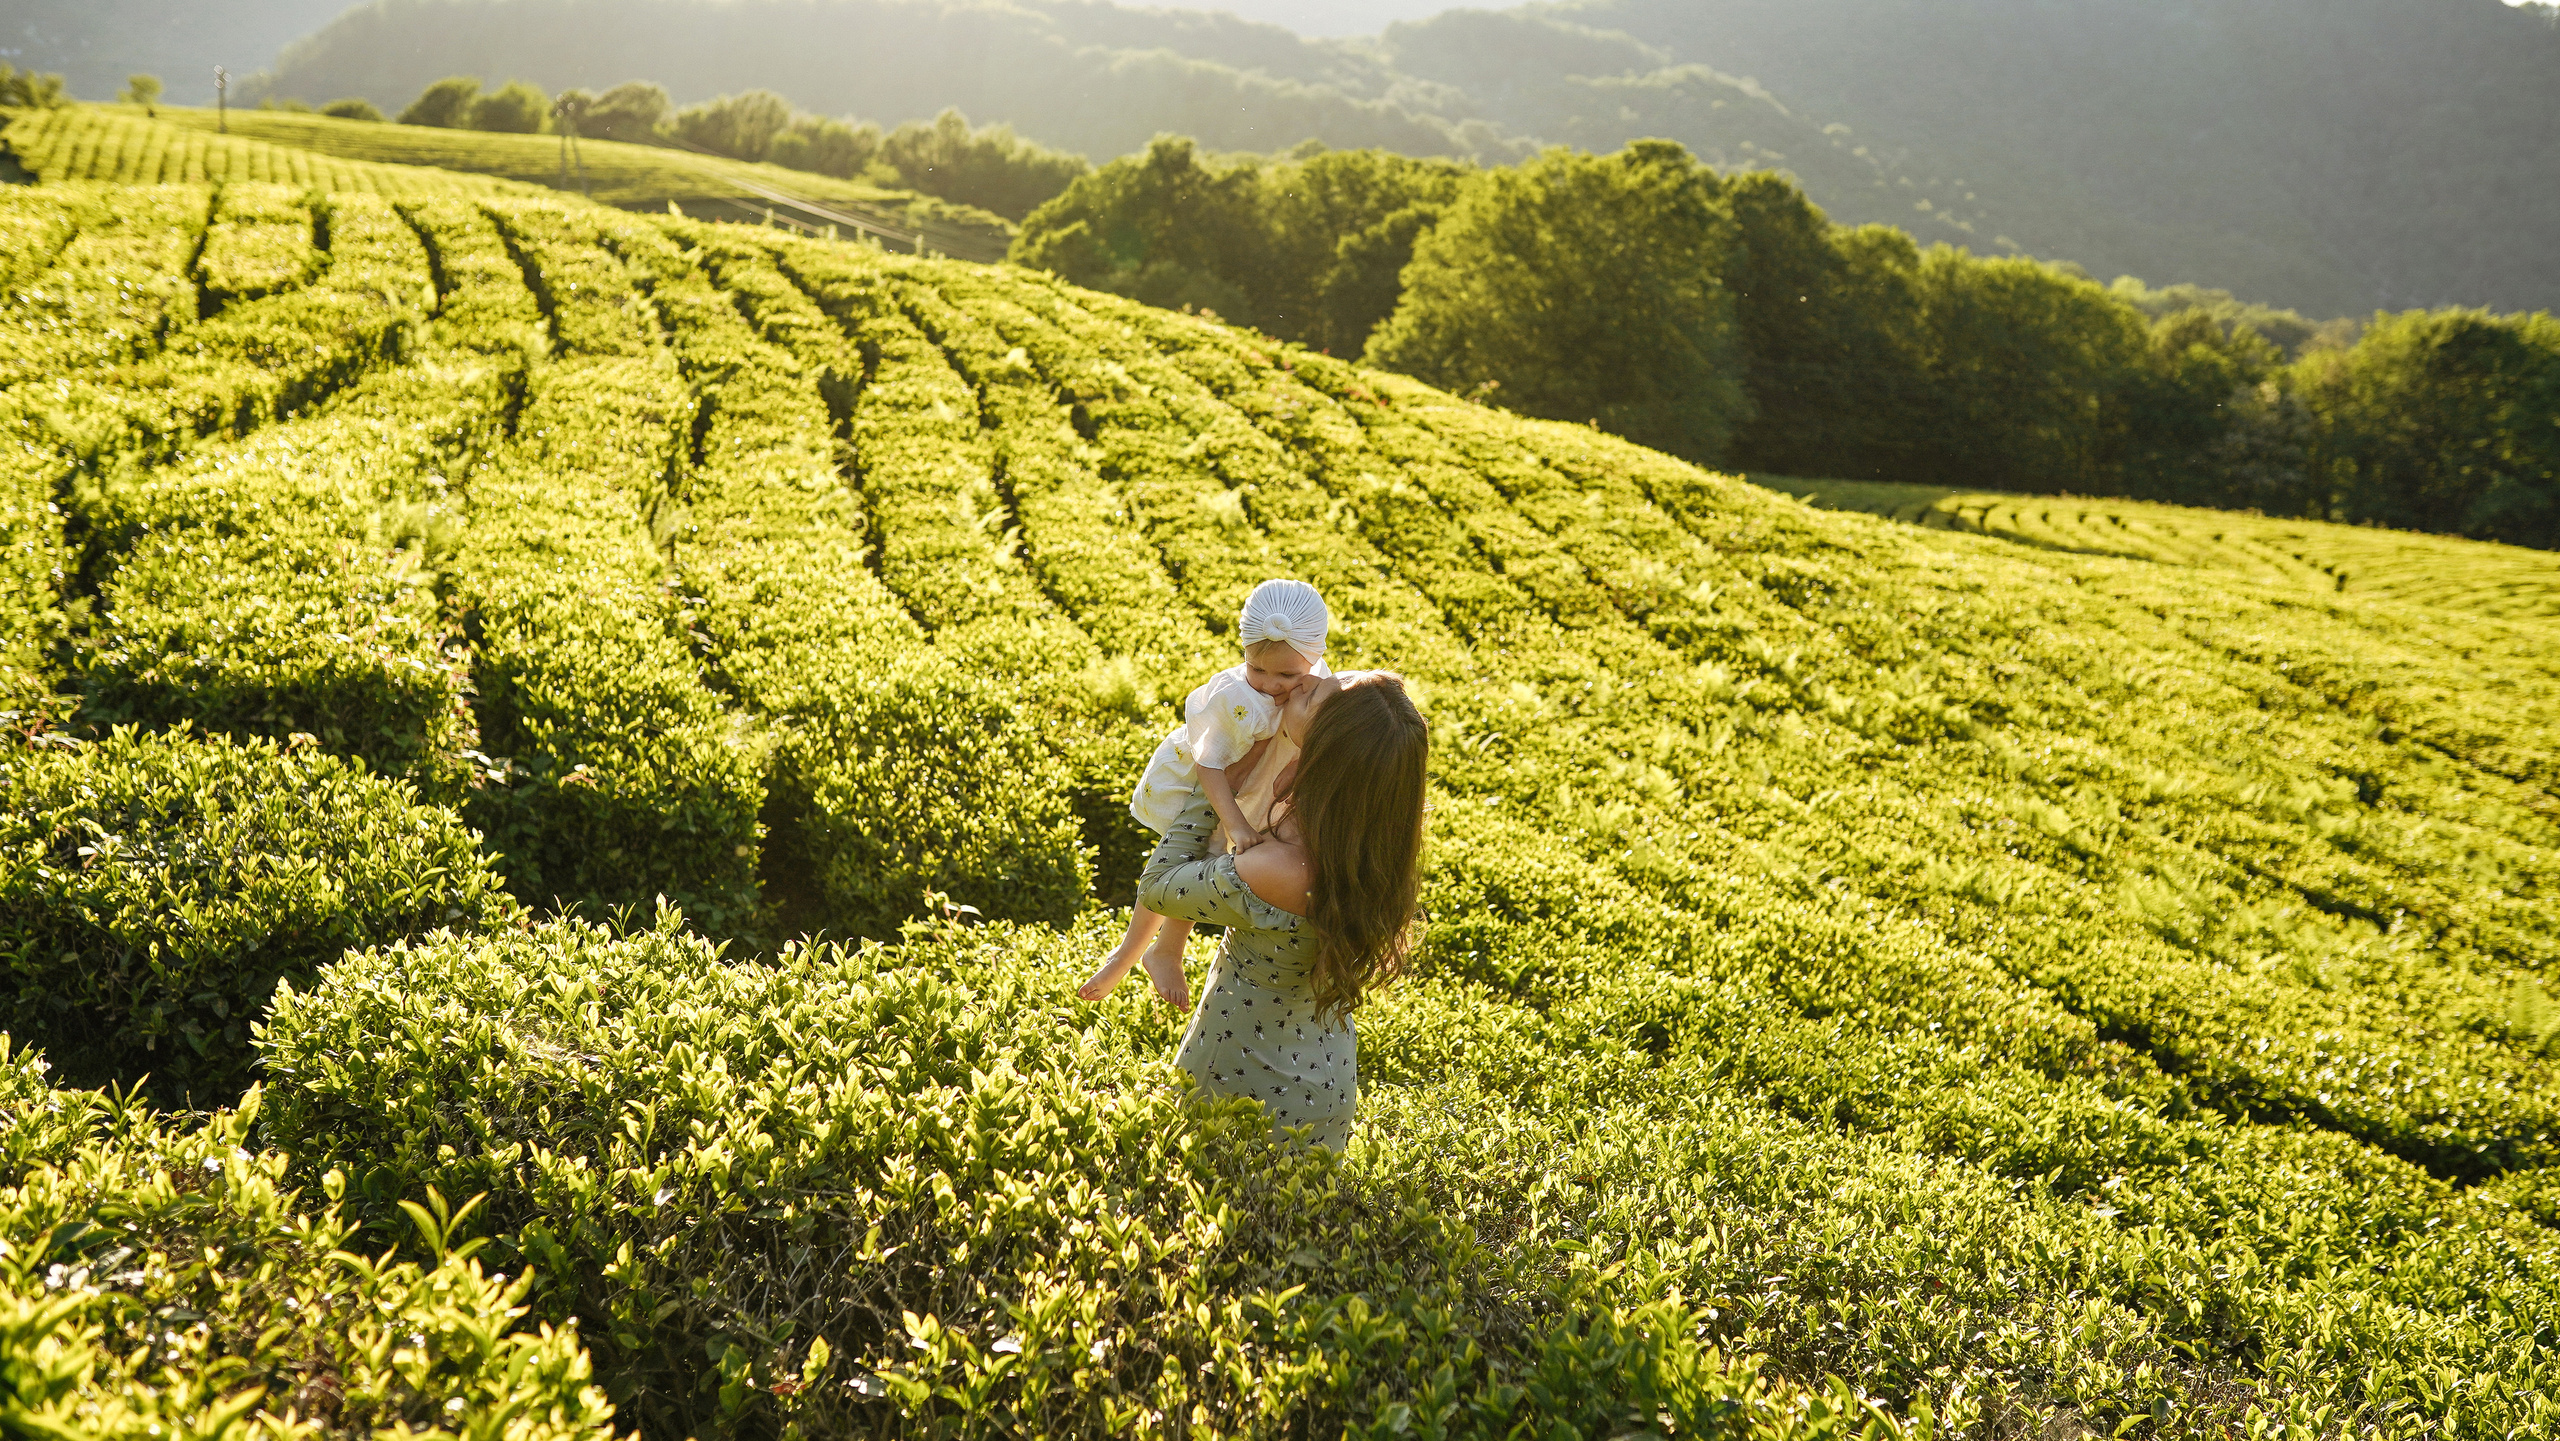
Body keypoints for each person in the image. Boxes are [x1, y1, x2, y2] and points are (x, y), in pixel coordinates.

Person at [1136, 672, 1428, 1150]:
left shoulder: (1278, 869)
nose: (1302, 683)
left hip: (1246, 1086)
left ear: (1324, 758)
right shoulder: (1374, 848)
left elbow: (1158, 887)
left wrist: (1216, 785)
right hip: (1324, 1081)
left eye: (1311, 694)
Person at [1080, 579, 1333, 1010]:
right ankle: (1126, 955)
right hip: (1210, 787)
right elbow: (1208, 764)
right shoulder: (1232, 695)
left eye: (1287, 675)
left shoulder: (1319, 684)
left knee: (1206, 869)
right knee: (1184, 859)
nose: (1271, 684)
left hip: (1254, 791)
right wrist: (1232, 818)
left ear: (1316, 656)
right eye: (1258, 669)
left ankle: (1167, 949)